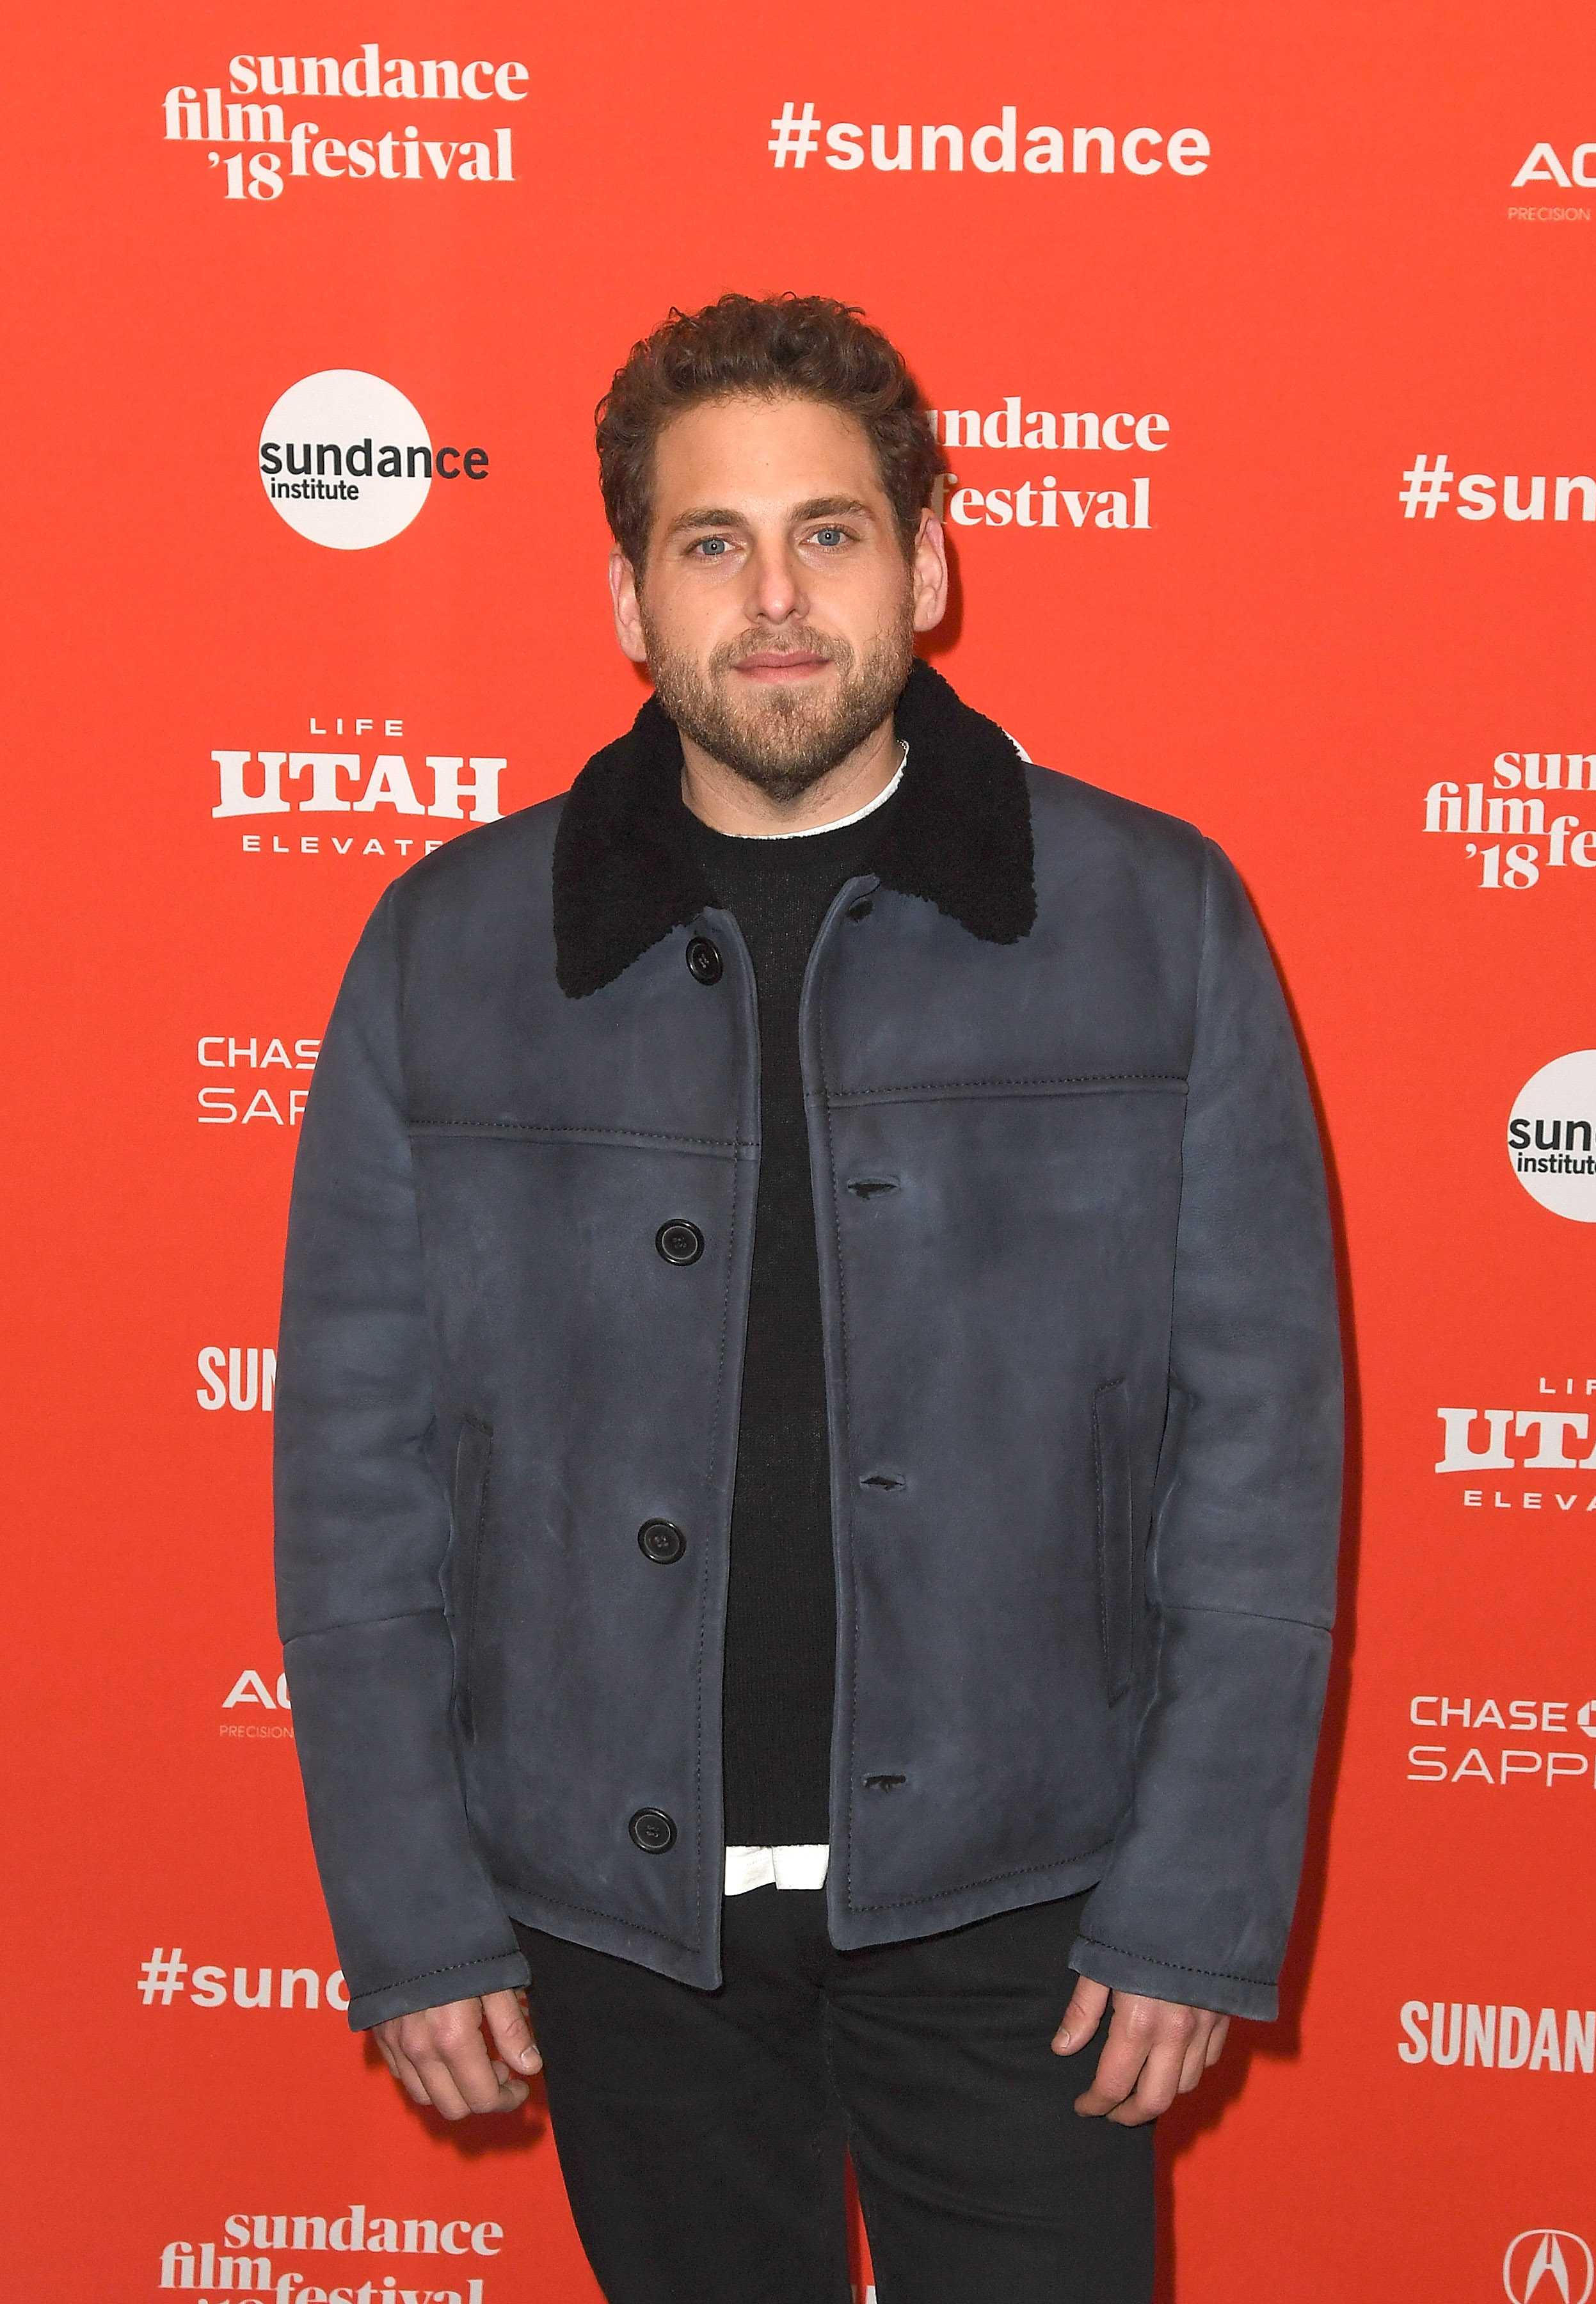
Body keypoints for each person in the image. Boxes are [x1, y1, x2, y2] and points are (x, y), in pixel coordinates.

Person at [275, 292, 1343, 2304]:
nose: (775, 598)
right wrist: (416, 1908)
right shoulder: (449, 950)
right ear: (628, 598)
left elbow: (1262, 1456)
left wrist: (1193, 1903)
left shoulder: (1157, 923)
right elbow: (358, 1479)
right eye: (711, 543)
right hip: (615, 1921)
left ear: (929, 563)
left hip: (1033, 1914)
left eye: (830, 533)